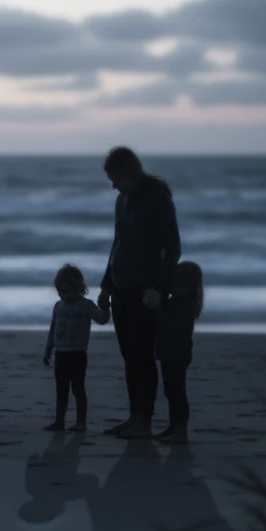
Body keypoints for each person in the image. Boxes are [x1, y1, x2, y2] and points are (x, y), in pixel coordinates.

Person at [97, 146, 181, 439]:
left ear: (129, 172)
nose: (113, 185)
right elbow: (117, 243)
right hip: (120, 287)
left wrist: (160, 288)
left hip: (145, 290)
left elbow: (173, 247)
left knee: (143, 356)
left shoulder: (157, 199)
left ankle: (144, 420)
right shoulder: (122, 200)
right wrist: (106, 284)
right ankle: (134, 416)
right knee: (129, 356)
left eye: (115, 177)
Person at [42, 263, 111, 432]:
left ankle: (81, 422)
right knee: (61, 389)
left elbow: (102, 320)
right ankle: (59, 421)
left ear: (78, 287)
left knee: (78, 388)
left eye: (65, 291)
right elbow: (53, 329)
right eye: (59, 291)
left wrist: (105, 306)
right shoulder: (58, 306)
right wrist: (48, 349)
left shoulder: (86, 305)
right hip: (61, 353)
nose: (62, 295)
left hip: (78, 354)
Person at [143, 260, 203, 443]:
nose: (171, 287)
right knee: (170, 390)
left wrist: (157, 309)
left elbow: (172, 325)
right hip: (169, 351)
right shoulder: (175, 301)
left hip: (177, 353)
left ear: (188, 286)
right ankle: (173, 426)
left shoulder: (185, 305)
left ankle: (181, 430)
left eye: (176, 284)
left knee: (177, 391)